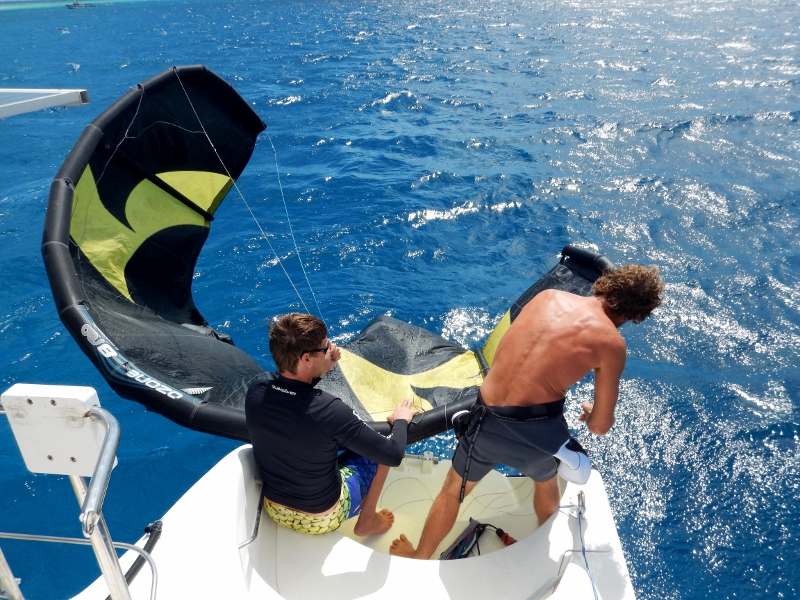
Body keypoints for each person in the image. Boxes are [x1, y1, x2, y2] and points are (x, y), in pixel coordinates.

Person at [390, 264, 664, 558]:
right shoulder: (612, 344)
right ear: (634, 316)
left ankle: (420, 556)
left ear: (605, 285)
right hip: (537, 438)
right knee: (547, 485)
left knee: (452, 491)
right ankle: (545, 558)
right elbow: (599, 426)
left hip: (486, 421)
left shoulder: (547, 296)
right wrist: (591, 409)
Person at [246, 313, 418, 536]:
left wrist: (326, 363)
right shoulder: (330, 411)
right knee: (378, 450)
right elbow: (393, 455)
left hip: (275, 510)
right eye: (325, 347)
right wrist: (402, 421)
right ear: (306, 359)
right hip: (322, 518)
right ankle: (367, 520)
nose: (330, 349)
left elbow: (297, 392)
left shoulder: (257, 388)